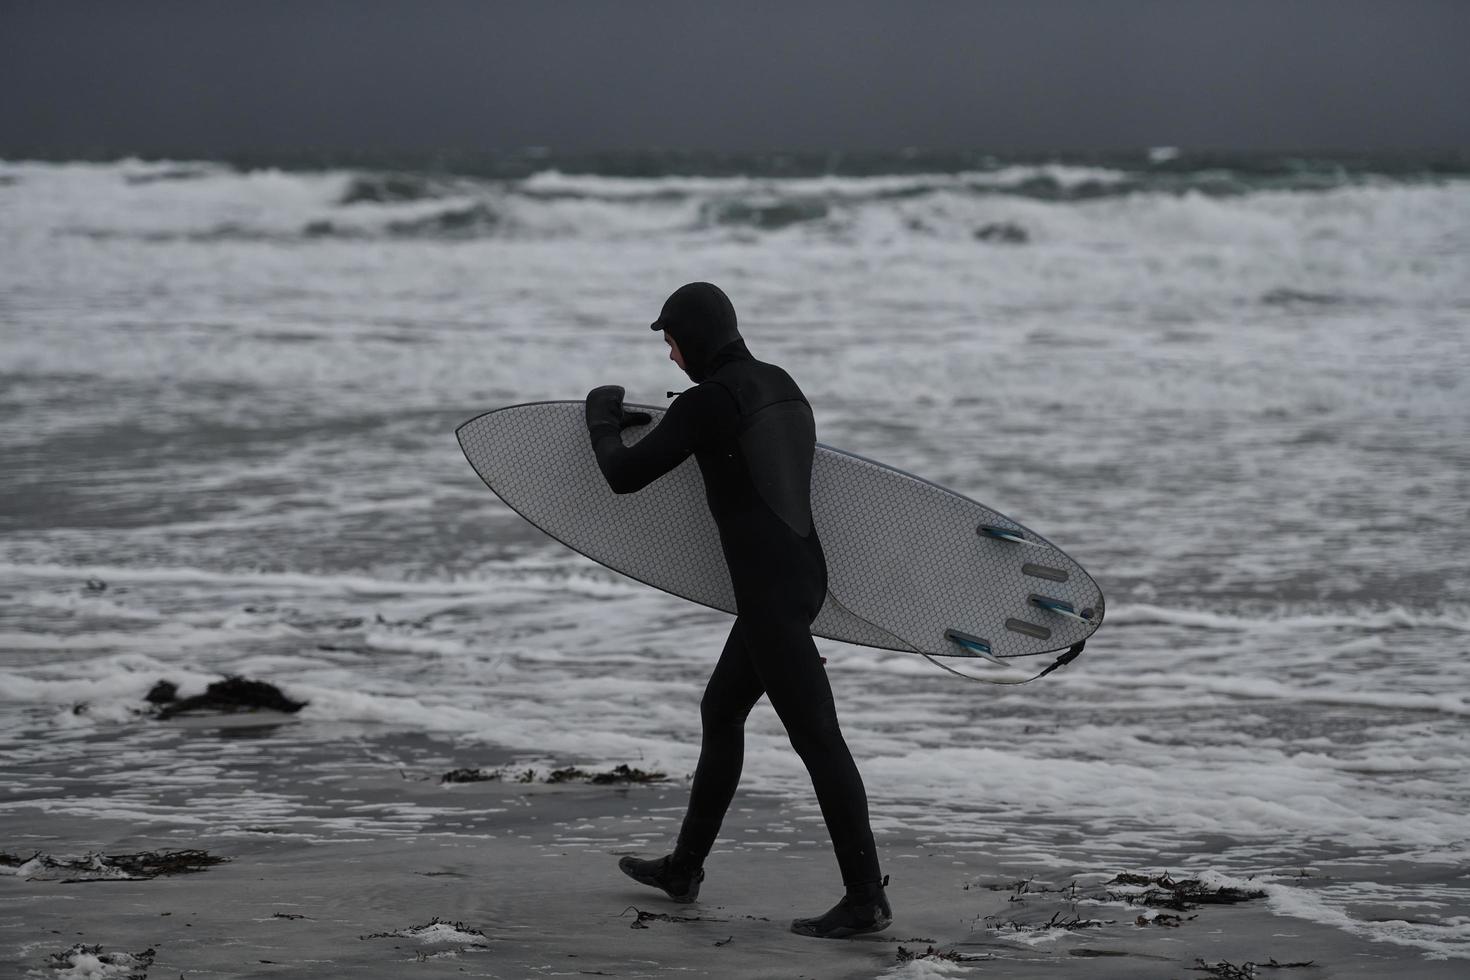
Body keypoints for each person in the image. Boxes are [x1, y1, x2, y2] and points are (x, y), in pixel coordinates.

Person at [583, 282, 891, 939]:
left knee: (818, 741)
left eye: (671, 342)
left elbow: (623, 475)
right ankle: (683, 869)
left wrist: (601, 416)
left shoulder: (707, 404)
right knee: (720, 711)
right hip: (800, 578)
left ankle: (866, 899)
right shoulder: (781, 384)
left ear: (694, 337)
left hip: (770, 599)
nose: (670, 356)